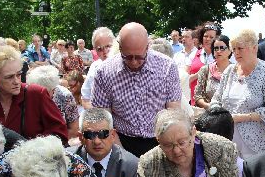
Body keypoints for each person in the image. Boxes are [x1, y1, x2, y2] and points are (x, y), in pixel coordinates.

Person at [92, 23, 182, 157]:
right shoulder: (104, 72)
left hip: (161, 140)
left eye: (139, 57)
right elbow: (103, 119)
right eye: (127, 56)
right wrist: (123, 155)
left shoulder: (167, 67)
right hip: (121, 140)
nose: (134, 62)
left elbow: (173, 113)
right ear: (119, 46)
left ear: (148, 46)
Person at [0, 46, 68, 143]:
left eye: (19, 74)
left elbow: (60, 133)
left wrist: (32, 149)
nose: (16, 81)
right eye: (9, 77)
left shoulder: (36, 94)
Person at [210, 29, 265, 159]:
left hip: (257, 143)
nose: (236, 53)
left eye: (240, 48)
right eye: (234, 48)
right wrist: (217, 114)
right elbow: (216, 99)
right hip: (228, 139)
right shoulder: (229, 71)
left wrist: (240, 117)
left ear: (254, 48)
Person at [26, 65, 80, 142]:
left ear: (53, 88)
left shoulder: (65, 96)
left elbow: (74, 128)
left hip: (60, 144)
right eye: (37, 91)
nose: (41, 94)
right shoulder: (30, 95)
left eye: (45, 92)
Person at [194, 35, 232, 109]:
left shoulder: (236, 70)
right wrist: (209, 106)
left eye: (222, 48)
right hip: (210, 113)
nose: (218, 51)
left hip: (232, 114)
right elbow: (197, 96)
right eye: (216, 48)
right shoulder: (206, 70)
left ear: (230, 50)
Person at [81, 27, 115, 109]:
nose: (105, 51)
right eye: (99, 49)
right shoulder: (94, 67)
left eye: (108, 46)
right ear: (95, 50)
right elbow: (85, 99)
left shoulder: (128, 64)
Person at [188, 23, 219, 104]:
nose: (208, 39)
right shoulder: (193, 54)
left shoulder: (222, 56)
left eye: (211, 37)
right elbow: (186, 79)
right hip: (195, 102)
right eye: (205, 36)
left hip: (215, 103)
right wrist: (200, 73)